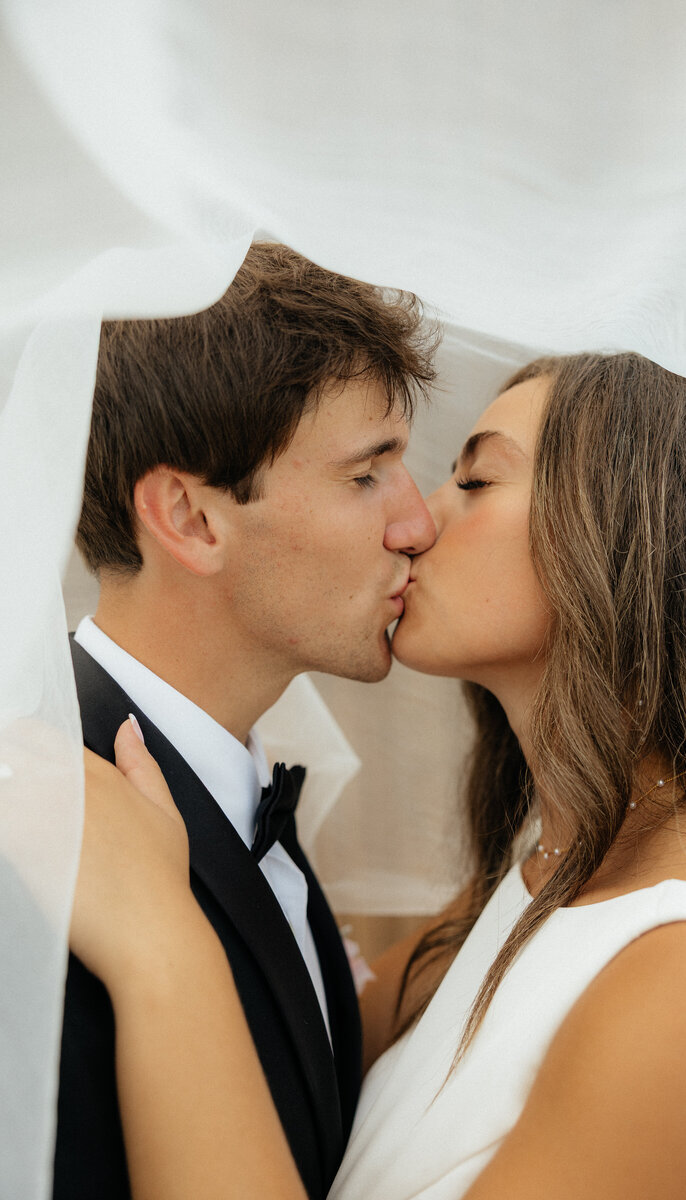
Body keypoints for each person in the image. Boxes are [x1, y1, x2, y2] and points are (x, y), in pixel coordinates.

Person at [72, 351, 686, 1200]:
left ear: (625, 540)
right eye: (372, 474)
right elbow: (304, 1057)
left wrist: (161, 945)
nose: (419, 522)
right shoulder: (543, 876)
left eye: (476, 481)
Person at [58, 242, 437, 1200]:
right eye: (367, 475)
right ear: (189, 518)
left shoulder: (238, 781)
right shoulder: (49, 819)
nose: (418, 523)